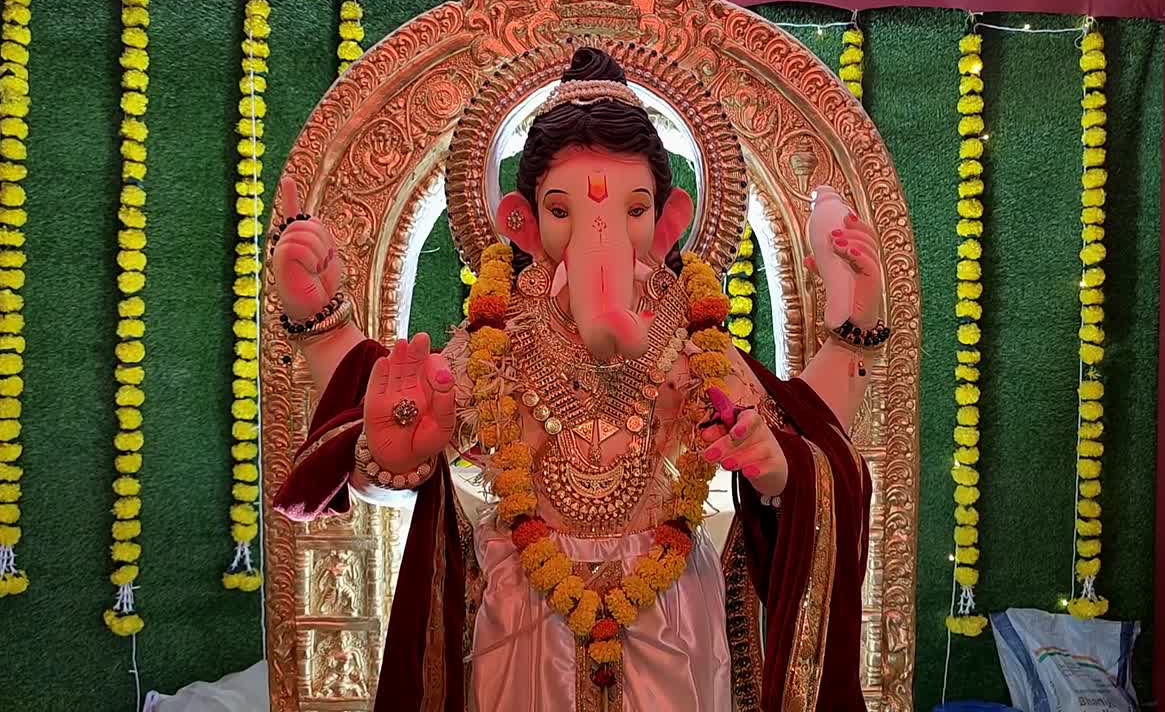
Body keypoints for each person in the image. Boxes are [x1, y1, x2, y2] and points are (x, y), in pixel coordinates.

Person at [272, 46, 884, 712]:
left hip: (671, 617)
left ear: (667, 220)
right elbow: (402, 433)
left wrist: (842, 349)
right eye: (565, 212)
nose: (604, 233)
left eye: (633, 209)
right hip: (526, 615)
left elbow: (814, 434)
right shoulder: (499, 337)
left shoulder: (691, 334)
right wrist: (327, 330)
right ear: (524, 222)